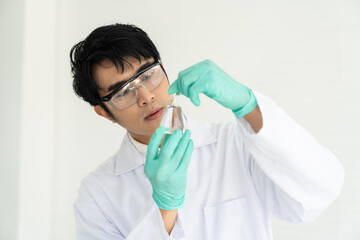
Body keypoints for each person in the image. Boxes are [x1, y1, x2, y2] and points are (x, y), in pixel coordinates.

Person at [70, 23, 344, 240]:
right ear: (104, 112)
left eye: (149, 74)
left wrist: (247, 104)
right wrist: (166, 210)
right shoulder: (97, 193)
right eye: (123, 91)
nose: (146, 96)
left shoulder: (235, 144)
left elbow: (322, 188)